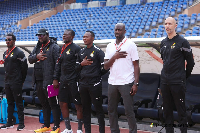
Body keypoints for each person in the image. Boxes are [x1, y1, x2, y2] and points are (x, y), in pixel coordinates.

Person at [160, 17, 195, 133]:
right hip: (165, 82)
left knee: (181, 112)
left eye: (170, 24)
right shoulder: (163, 42)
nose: (167, 26)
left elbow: (190, 62)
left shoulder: (182, 42)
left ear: (175, 26)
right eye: (165, 24)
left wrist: (184, 76)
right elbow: (164, 60)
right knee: (167, 111)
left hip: (178, 82)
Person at [104, 23, 140, 133]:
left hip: (126, 82)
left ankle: (133, 131)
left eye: (120, 30)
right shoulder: (110, 45)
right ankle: (115, 131)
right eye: (116, 29)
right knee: (111, 110)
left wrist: (136, 83)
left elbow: (136, 65)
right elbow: (105, 66)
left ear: (124, 31)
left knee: (129, 111)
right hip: (112, 82)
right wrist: (114, 57)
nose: (117, 32)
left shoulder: (131, 45)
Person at [28, 28, 61, 133]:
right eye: (38, 35)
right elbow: (30, 59)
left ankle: (56, 126)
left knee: (53, 103)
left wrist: (55, 79)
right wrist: (36, 57)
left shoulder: (54, 47)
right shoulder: (38, 46)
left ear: (47, 35)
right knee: (44, 104)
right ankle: (46, 125)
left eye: (41, 35)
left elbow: (58, 64)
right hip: (38, 80)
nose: (40, 37)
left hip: (50, 81)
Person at [75, 31, 108, 133]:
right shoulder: (81, 52)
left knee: (98, 110)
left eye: (87, 37)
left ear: (93, 38)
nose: (84, 38)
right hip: (83, 85)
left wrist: (96, 75)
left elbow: (105, 67)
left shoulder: (98, 51)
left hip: (95, 85)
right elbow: (75, 68)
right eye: (83, 37)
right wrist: (82, 64)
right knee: (86, 110)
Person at [53, 29, 83, 133]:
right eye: (63, 34)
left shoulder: (77, 48)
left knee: (78, 104)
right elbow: (58, 65)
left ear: (72, 36)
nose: (64, 36)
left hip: (74, 80)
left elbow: (80, 65)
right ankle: (68, 128)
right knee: (62, 103)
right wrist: (55, 78)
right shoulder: (62, 48)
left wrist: (76, 76)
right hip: (63, 80)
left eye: (67, 35)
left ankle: (79, 129)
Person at [0, 34, 28, 131]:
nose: (7, 41)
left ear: (14, 41)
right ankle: (9, 122)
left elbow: (25, 67)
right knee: (9, 102)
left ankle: (21, 123)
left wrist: (21, 80)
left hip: (16, 82)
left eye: (9, 39)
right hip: (7, 81)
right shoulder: (5, 53)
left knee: (19, 102)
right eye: (6, 40)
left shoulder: (19, 52)